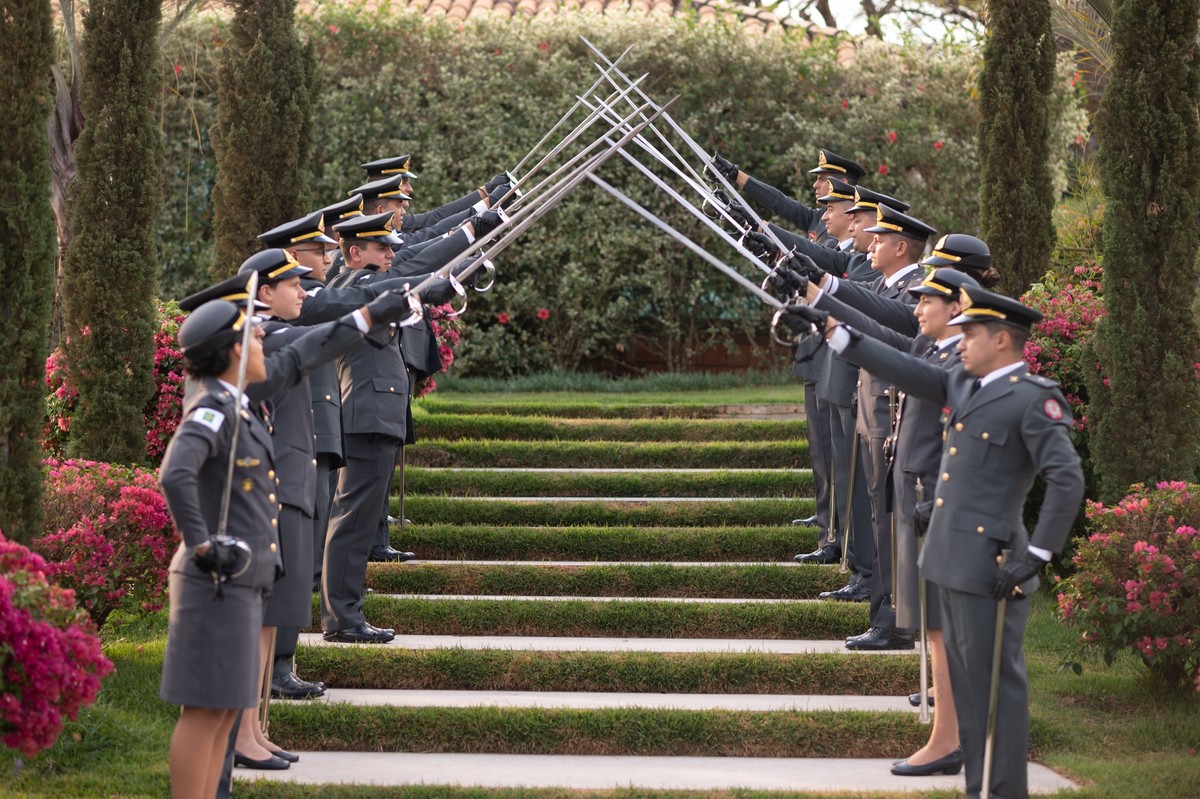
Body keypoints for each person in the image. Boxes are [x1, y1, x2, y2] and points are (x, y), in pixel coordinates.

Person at [810, 284, 1085, 799]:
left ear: (1002, 340)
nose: (960, 343)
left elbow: (1067, 480)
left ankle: (1004, 791)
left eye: (971, 334)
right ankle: (979, 788)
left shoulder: (1033, 399)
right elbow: (904, 367)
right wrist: (837, 333)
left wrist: (1038, 554)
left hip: (992, 565)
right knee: (967, 690)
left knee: (996, 692)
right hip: (946, 558)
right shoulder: (965, 383)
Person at [158, 286, 415, 796]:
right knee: (207, 710)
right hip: (215, 581)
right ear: (232, 352)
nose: (263, 343)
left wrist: (372, 313)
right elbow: (175, 473)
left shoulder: (241, 400)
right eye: (254, 337)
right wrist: (203, 544)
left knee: (225, 709)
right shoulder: (213, 406)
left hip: (240, 579)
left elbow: (303, 353)